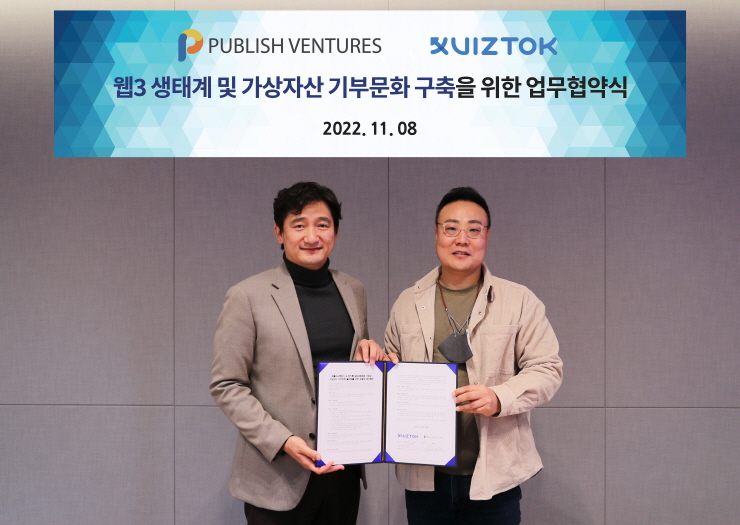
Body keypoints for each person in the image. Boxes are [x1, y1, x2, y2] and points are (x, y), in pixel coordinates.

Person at [384, 187, 563, 525]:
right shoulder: (408, 302)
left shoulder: (519, 300)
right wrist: (376, 362)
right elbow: (390, 375)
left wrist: (499, 397)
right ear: (436, 234)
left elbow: (547, 369)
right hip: (424, 476)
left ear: (487, 236)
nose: (462, 239)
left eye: (473, 229)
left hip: (494, 478)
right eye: (451, 228)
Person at [210, 182, 384, 525]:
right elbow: (226, 385)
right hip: (276, 475)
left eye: (323, 224)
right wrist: (284, 441)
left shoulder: (354, 290)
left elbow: (348, 366)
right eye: (299, 225)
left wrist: (370, 351)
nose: (312, 236)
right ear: (279, 232)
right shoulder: (247, 296)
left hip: (341, 474)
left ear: (335, 231)